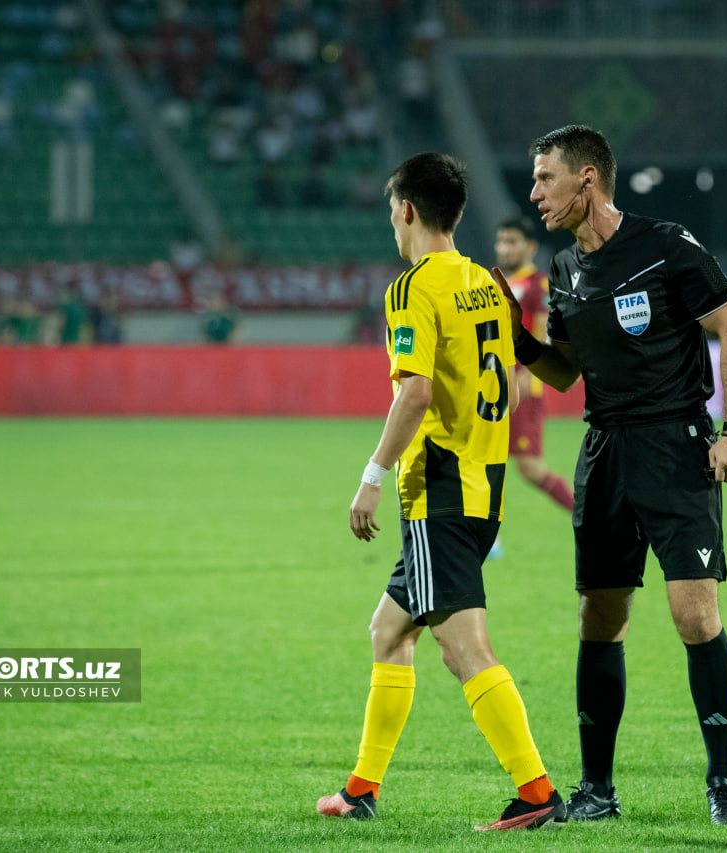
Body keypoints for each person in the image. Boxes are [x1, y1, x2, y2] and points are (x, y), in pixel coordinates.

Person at [494, 125, 727, 826]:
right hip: (605, 449)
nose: (534, 193)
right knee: (600, 617)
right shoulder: (563, 269)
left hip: (675, 447)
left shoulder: (668, 245)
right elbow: (565, 371)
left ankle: (722, 782)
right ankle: (597, 791)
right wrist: (515, 333)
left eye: (545, 178)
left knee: (694, 615)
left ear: (586, 179)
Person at [316, 152, 567, 831]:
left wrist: (371, 478)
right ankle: (361, 790)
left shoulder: (413, 289)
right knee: (389, 630)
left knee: (463, 650)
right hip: (484, 487)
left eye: (391, 212)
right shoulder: (487, 281)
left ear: (406, 210)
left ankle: (537, 793)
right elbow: (543, 365)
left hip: (440, 492)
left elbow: (415, 393)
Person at [486, 216, 575, 560]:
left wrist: (520, 385)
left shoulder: (537, 286)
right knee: (482, 462)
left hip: (522, 390)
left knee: (530, 469)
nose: (504, 248)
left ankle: (588, 516)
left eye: (512, 241)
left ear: (531, 247)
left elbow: (539, 342)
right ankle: (489, 538)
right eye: (501, 241)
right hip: (491, 387)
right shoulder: (491, 283)